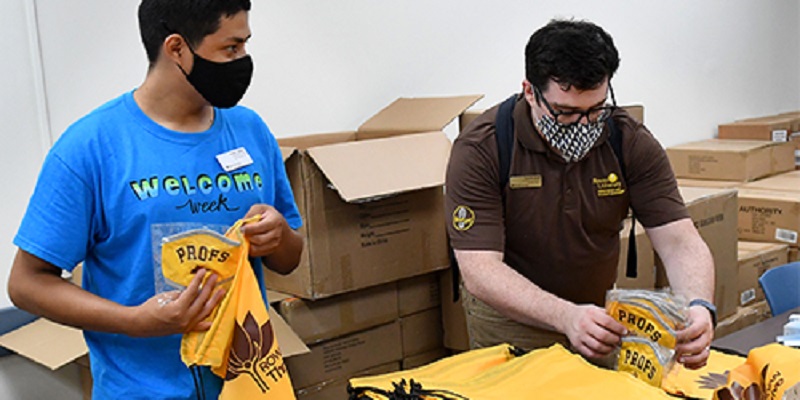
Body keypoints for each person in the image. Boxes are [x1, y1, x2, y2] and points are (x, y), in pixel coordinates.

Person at [8, 1, 303, 398]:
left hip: (247, 387)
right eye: (231, 48)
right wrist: (135, 321)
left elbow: (289, 258)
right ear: (177, 48)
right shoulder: (91, 148)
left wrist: (280, 236)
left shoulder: (251, 131)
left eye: (245, 45)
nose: (243, 61)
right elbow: (26, 284)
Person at [445, 19, 715, 370]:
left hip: (598, 320)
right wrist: (565, 316)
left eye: (596, 109)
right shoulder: (484, 148)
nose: (584, 125)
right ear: (530, 92)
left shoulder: (628, 141)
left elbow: (679, 241)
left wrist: (699, 306)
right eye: (566, 112)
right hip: (512, 324)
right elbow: (480, 270)